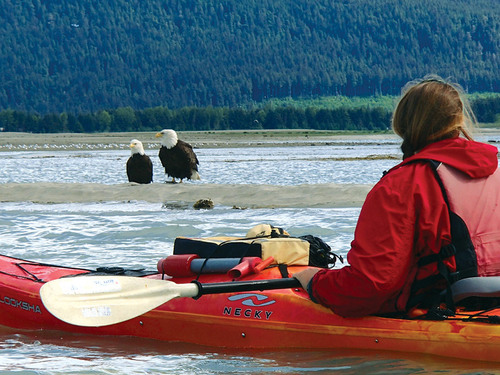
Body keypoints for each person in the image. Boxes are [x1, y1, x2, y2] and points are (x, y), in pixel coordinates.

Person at [294, 76, 500, 318]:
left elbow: (370, 286)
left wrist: (313, 280)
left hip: (437, 308)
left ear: (402, 124)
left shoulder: (401, 185)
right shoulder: (495, 170)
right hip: (485, 302)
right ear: (458, 121)